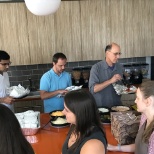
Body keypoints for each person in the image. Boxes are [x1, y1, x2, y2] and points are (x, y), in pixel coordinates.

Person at [108, 81, 154, 154]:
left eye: (138, 98)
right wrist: (115, 148)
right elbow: (138, 146)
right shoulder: (144, 117)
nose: (135, 101)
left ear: (148, 101)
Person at [62, 89, 107, 154]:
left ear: (79, 113)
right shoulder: (75, 125)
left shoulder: (93, 146)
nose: (63, 112)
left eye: (67, 110)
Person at [89, 43, 123, 108]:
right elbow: (93, 89)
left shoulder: (119, 67)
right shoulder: (96, 68)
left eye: (119, 54)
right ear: (107, 53)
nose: (118, 57)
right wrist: (110, 81)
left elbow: (120, 86)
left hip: (117, 106)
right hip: (101, 107)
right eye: (115, 54)